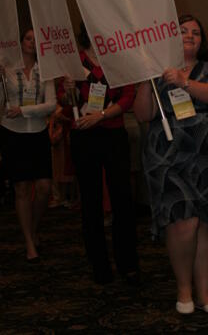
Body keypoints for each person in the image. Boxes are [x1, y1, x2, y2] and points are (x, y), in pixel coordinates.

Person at [134, 14, 208, 315]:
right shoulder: (158, 73)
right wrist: (146, 77)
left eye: (196, 32)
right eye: (183, 31)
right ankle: (184, 290)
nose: (190, 35)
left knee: (204, 225)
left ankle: (205, 294)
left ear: (203, 41)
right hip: (168, 158)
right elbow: (143, 114)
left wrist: (185, 82)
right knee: (183, 221)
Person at [58, 23, 139, 285]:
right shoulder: (74, 60)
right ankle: (99, 266)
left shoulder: (118, 57)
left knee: (122, 199)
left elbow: (129, 96)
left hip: (113, 133)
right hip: (83, 135)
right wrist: (69, 87)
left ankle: (127, 263)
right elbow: (65, 101)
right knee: (90, 203)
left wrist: (102, 115)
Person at [0, 28, 56, 262]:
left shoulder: (46, 71)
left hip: (38, 132)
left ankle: (33, 228)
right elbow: (2, 106)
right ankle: (29, 241)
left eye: (36, 39)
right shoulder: (7, 70)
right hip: (13, 134)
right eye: (28, 38)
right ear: (20, 41)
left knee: (44, 187)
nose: (32, 43)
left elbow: (51, 105)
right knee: (21, 188)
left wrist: (23, 110)